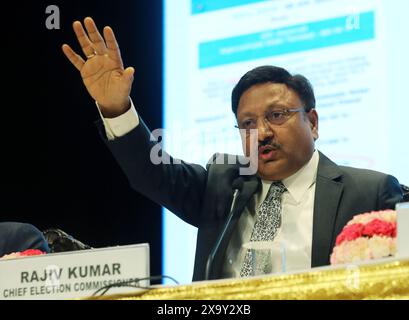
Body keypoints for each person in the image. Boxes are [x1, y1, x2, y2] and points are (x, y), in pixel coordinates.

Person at [62, 18, 403, 281]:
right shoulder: (225, 184)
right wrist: (116, 108)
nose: (263, 133)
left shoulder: (369, 192)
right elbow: (151, 172)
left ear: (312, 122)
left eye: (277, 115)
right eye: (248, 124)